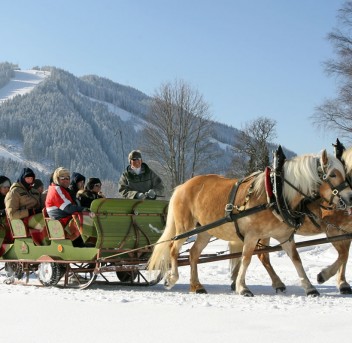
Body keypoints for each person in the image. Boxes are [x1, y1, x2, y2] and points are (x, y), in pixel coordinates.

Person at [45, 167, 90, 247]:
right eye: (63, 178)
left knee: (87, 217)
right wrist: (84, 209)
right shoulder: (56, 189)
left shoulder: (63, 189)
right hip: (61, 222)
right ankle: (83, 243)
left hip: (66, 219)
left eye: (68, 178)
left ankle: (86, 242)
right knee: (84, 218)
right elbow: (68, 208)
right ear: (57, 179)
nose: (66, 180)